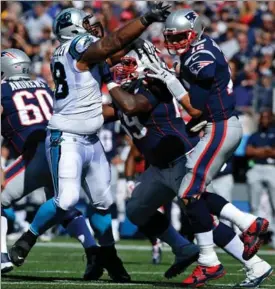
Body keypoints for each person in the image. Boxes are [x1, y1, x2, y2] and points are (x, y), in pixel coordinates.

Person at [8, 3, 171, 280]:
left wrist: (136, 40)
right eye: (84, 24)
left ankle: (109, 258)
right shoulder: (77, 46)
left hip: (91, 139)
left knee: (102, 202)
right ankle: (27, 238)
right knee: (67, 199)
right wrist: (145, 20)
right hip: (67, 137)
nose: (90, 28)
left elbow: (114, 48)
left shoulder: (72, 52)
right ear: (74, 28)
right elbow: (113, 43)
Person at [101, 39, 272, 287]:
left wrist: (108, 80)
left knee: (205, 218)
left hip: (181, 160)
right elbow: (107, 112)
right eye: (120, 64)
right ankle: (183, 248)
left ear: (145, 63)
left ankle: (254, 262)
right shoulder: (129, 91)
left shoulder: (155, 85)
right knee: (136, 211)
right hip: (157, 168)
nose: (121, 69)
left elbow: (130, 105)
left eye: (127, 63)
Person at [145, 9, 270, 287]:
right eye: (172, 37)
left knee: (189, 192)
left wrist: (169, 80)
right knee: (194, 193)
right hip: (219, 126)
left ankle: (209, 261)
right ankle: (248, 228)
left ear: (194, 32)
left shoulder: (200, 56)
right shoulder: (200, 48)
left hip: (220, 126)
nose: (175, 42)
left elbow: (195, 108)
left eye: (180, 37)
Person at [0, 48, 101, 278]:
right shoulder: (44, 87)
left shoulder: (3, 90)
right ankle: (93, 251)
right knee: (61, 205)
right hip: (60, 150)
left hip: (35, 155)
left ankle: (2, 256)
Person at [246, 110, 275, 248]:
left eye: (267, 117)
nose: (264, 120)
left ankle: (273, 237)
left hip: (271, 168)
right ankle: (255, 236)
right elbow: (248, 151)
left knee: (274, 203)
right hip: (256, 167)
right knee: (254, 204)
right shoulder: (254, 135)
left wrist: (259, 151)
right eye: (262, 117)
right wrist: (267, 150)